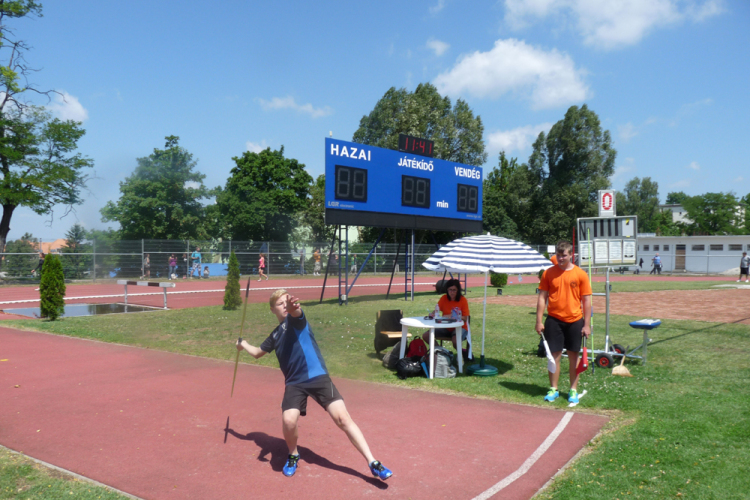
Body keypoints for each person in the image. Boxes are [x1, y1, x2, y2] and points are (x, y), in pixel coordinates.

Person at [235, 290, 393, 480]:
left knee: (342, 418)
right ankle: (293, 454)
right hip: (294, 383)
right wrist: (242, 343)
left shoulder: (296, 320)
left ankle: (373, 462)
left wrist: (295, 309)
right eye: (280, 303)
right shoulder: (276, 334)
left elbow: (297, 313)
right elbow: (257, 352)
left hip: (318, 377)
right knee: (288, 420)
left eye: (287, 301)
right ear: (271, 309)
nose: (285, 305)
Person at [535, 240, 592, 404]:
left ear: (571, 255)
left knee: (574, 356)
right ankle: (554, 388)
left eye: (564, 255)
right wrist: (539, 321)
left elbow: (587, 301)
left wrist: (586, 325)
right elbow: (542, 298)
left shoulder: (580, 274)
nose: (560, 258)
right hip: (554, 320)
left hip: (575, 321)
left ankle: (573, 390)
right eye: (558, 255)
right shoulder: (548, 273)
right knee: (554, 357)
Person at [422, 279, 470, 356]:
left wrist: (453, 316)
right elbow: (437, 310)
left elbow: (465, 318)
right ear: (447, 290)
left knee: (455, 340)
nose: (452, 292)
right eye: (450, 290)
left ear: (458, 290)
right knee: (426, 335)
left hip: (460, 327)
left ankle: (462, 354)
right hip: (445, 327)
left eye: (454, 290)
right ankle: (440, 352)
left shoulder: (463, 300)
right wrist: (432, 314)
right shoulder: (444, 298)